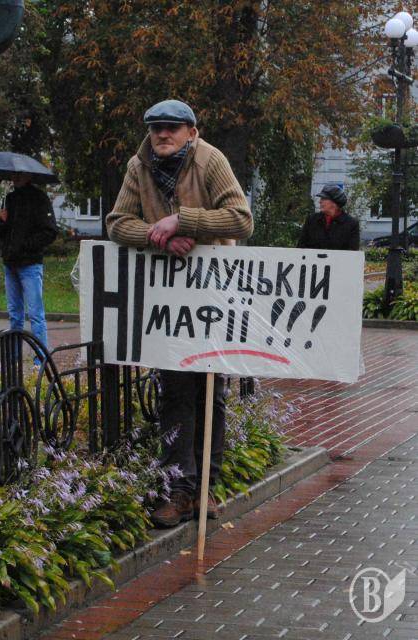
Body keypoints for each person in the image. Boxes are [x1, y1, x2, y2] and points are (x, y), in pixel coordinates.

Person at [107, 99, 253, 527]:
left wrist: (183, 221)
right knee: (174, 393)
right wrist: (159, 236)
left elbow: (240, 219)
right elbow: (117, 222)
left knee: (210, 393)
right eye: (156, 128)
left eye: (172, 127)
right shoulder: (139, 167)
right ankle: (178, 491)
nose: (162, 134)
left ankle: (206, 487)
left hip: (213, 294)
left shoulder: (210, 160)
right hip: (169, 299)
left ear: (192, 131)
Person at [0, 172, 58, 357]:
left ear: (29, 176)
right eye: (14, 174)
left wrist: (25, 246)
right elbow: (3, 234)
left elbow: (50, 231)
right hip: (10, 264)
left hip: (30, 265)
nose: (15, 177)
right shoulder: (9, 199)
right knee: (14, 315)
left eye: (20, 174)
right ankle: (13, 360)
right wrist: (2, 222)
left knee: (35, 315)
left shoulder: (40, 199)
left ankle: (41, 360)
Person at [298, 184, 360, 250]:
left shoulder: (351, 224)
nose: (320, 201)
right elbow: (300, 248)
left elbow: (352, 252)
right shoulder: (311, 220)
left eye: (323, 199)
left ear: (334, 203)